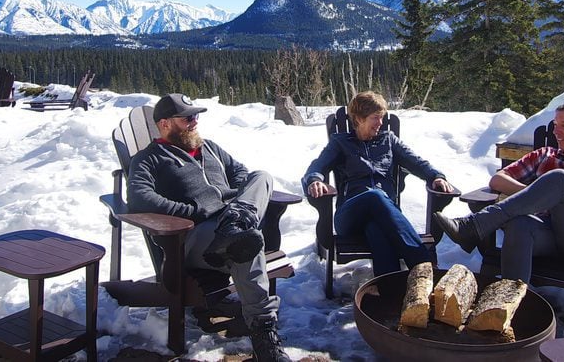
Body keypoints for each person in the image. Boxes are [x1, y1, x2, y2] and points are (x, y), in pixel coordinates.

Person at [127, 93, 289, 362]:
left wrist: (234, 202)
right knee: (244, 240)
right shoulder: (149, 159)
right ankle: (264, 336)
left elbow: (241, 172)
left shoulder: (209, 147)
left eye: (196, 116)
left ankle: (236, 223)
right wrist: (192, 212)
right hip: (193, 237)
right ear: (165, 124)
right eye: (187, 118)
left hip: (228, 226)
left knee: (261, 177)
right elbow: (140, 197)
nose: (194, 122)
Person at [435, 101, 564, 282]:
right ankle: (508, 305)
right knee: (519, 223)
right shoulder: (544, 155)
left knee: (560, 179)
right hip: (546, 238)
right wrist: (538, 195)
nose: (556, 132)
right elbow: (498, 180)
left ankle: (475, 226)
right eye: (555, 125)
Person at [302, 91, 455, 276]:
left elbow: (417, 162)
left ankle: (390, 289)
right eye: (375, 118)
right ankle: (423, 264)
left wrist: (436, 176)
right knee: (375, 196)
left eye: (382, 117)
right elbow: (316, 167)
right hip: (350, 216)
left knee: (376, 230)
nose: (380, 123)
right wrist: (315, 180)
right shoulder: (340, 143)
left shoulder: (388, 140)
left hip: (383, 215)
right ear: (358, 119)